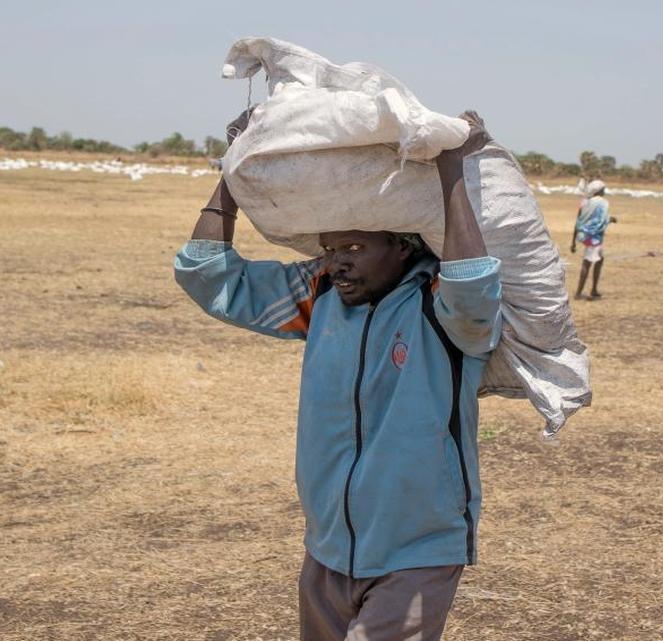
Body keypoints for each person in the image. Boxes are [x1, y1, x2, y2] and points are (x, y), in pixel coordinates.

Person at [174, 111, 503, 641]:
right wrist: (234, 171)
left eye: (353, 248)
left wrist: (452, 165)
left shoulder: (439, 311)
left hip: (415, 551)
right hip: (327, 546)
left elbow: (472, 281)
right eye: (329, 248)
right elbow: (206, 274)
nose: (336, 263)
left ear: (403, 245)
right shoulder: (319, 295)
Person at [571, 180, 613, 300]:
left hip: (584, 235)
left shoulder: (584, 203)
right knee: (587, 263)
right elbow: (601, 220)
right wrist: (610, 220)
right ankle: (579, 293)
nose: (604, 191)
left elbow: (578, 222)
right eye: (603, 189)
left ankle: (594, 289)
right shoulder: (602, 203)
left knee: (599, 260)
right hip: (594, 237)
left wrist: (573, 242)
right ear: (599, 190)